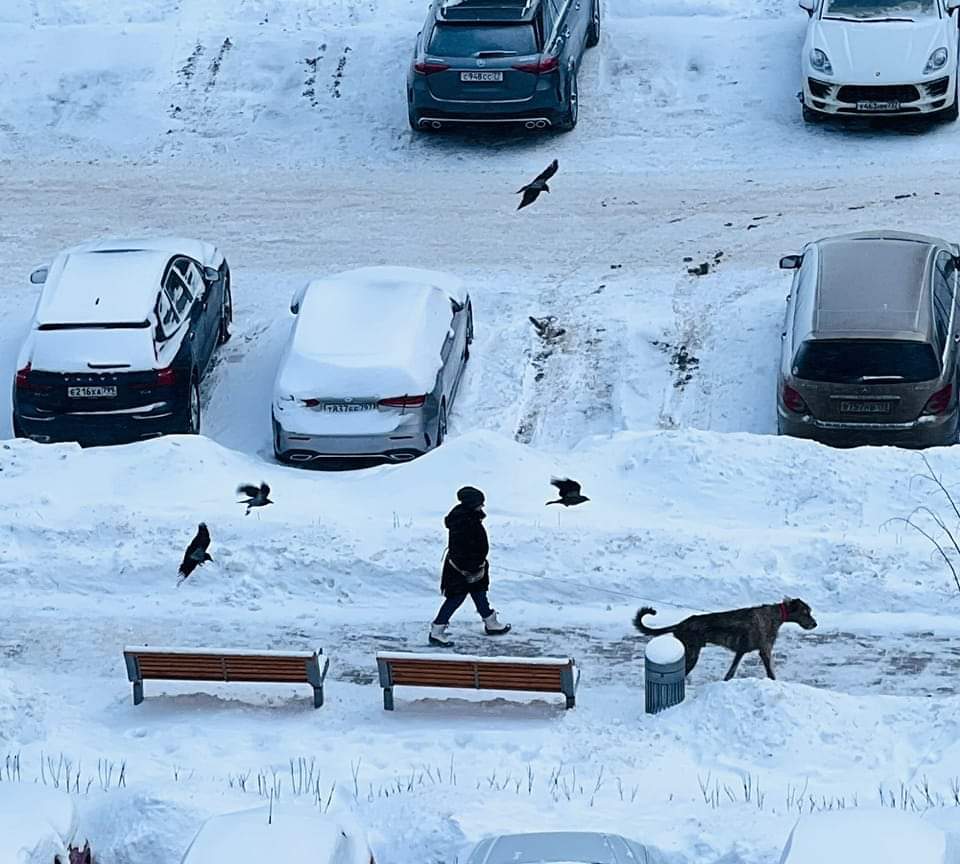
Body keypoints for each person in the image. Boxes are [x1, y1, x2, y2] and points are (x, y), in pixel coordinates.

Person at [429, 485, 511, 647]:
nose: (483, 506)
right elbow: (460, 549)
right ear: (472, 503)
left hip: (474, 566)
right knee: (456, 598)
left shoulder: (470, 517)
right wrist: (471, 567)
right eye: (480, 502)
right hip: (461, 568)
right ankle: (437, 630)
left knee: (479, 593)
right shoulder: (463, 521)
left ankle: (491, 623)